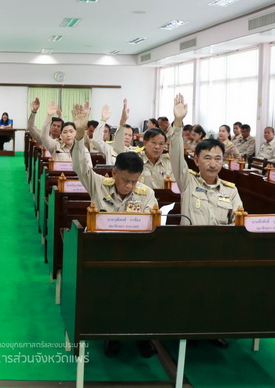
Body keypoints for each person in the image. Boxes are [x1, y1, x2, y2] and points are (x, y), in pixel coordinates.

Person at [70, 102, 159, 358]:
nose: (129, 186)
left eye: (134, 181)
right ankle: (111, 335)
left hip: (136, 255)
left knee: (141, 293)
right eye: (124, 180)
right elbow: (80, 166)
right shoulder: (99, 184)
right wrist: (79, 135)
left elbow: (154, 224)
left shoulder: (147, 194)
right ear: (113, 173)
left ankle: (142, 336)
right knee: (109, 294)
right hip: (104, 255)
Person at [170, 94, 242, 226]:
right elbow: (176, 155)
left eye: (218, 159)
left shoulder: (230, 191)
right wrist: (178, 122)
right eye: (207, 158)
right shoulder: (187, 182)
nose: (213, 164)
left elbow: (238, 223)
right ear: (196, 160)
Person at [111, 99, 174, 189]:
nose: (157, 147)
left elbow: (175, 187)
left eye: (161, 144)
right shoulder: (136, 158)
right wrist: (122, 122)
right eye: (153, 143)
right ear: (145, 142)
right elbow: (118, 148)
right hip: (139, 201)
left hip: (164, 200)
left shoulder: (169, 162)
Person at [39, 100, 92, 169]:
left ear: (76, 133)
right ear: (61, 134)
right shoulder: (55, 146)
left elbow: (89, 169)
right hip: (59, 178)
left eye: (71, 131)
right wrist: (49, 116)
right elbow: (44, 136)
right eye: (65, 132)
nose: (68, 135)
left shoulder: (83, 150)